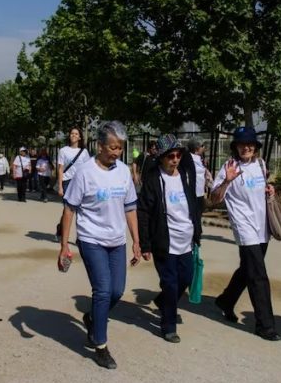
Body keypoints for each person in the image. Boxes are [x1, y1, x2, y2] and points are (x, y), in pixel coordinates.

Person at [57, 121, 141, 369]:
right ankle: (100, 345)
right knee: (103, 290)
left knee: (117, 291)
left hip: (117, 241)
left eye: (120, 148)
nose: (117, 153)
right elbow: (69, 209)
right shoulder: (85, 173)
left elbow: (130, 207)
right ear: (100, 146)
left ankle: (93, 316)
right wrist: (64, 245)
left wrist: (136, 240)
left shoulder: (124, 171)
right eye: (113, 147)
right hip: (91, 239)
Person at [211, 126, 280, 342]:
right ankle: (265, 325)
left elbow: (260, 189)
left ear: (255, 147)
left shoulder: (260, 165)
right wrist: (227, 180)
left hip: (262, 227)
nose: (246, 147)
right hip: (244, 228)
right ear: (235, 147)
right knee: (258, 275)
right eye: (242, 144)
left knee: (248, 269)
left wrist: (270, 190)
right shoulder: (229, 167)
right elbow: (214, 198)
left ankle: (225, 300)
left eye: (250, 144)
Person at [137, 134, 201, 343]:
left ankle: (163, 301)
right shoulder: (154, 179)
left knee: (186, 278)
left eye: (178, 155)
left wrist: (197, 232)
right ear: (162, 158)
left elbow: (193, 205)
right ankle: (168, 326)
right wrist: (145, 244)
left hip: (186, 240)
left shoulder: (184, 175)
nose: (175, 159)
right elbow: (144, 212)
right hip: (164, 242)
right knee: (171, 283)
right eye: (170, 156)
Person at [56, 127, 91, 241]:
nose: (74, 135)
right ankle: (61, 230)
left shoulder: (84, 152)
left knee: (80, 210)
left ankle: (79, 237)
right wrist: (60, 186)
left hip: (80, 183)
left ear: (80, 137)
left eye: (76, 134)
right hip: (67, 182)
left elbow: (88, 169)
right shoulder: (63, 150)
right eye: (72, 133)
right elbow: (60, 169)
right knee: (68, 209)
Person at [187, 138, 211, 225]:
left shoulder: (199, 158)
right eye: (202, 146)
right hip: (193, 193)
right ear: (196, 148)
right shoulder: (189, 159)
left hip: (200, 193)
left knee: (198, 215)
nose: (204, 148)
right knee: (194, 217)